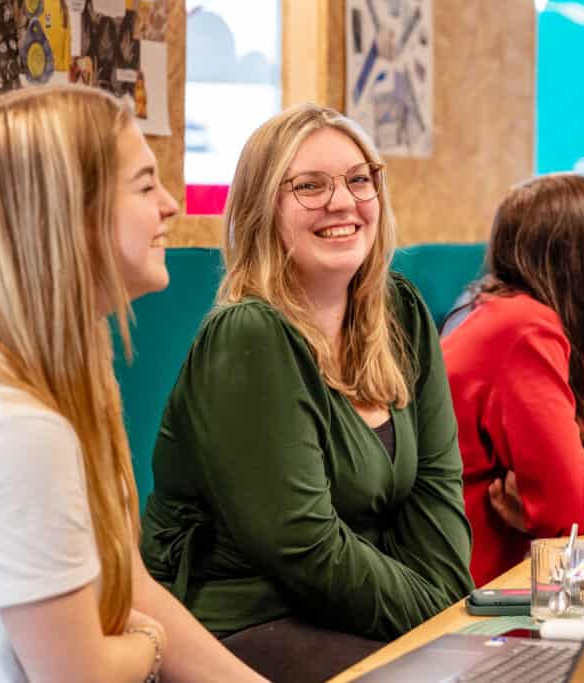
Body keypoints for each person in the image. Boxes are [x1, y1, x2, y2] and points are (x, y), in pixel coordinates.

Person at [0, 86, 264, 682]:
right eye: (145, 184)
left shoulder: (10, 377)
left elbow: (129, 585)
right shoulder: (12, 428)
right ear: (71, 214)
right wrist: (146, 642)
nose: (171, 205)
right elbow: (83, 675)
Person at [140, 103, 474, 682]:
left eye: (358, 179)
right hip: (246, 629)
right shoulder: (248, 333)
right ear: (260, 209)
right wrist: (445, 623)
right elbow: (306, 550)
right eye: (309, 186)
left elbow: (438, 494)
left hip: (366, 617)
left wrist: (450, 619)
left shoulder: (402, 314)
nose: (342, 202)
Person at [440, 174, 584, 586]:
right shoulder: (523, 328)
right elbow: (577, 517)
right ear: (580, 259)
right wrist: (577, 502)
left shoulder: (527, 318)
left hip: (519, 571)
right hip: (480, 589)